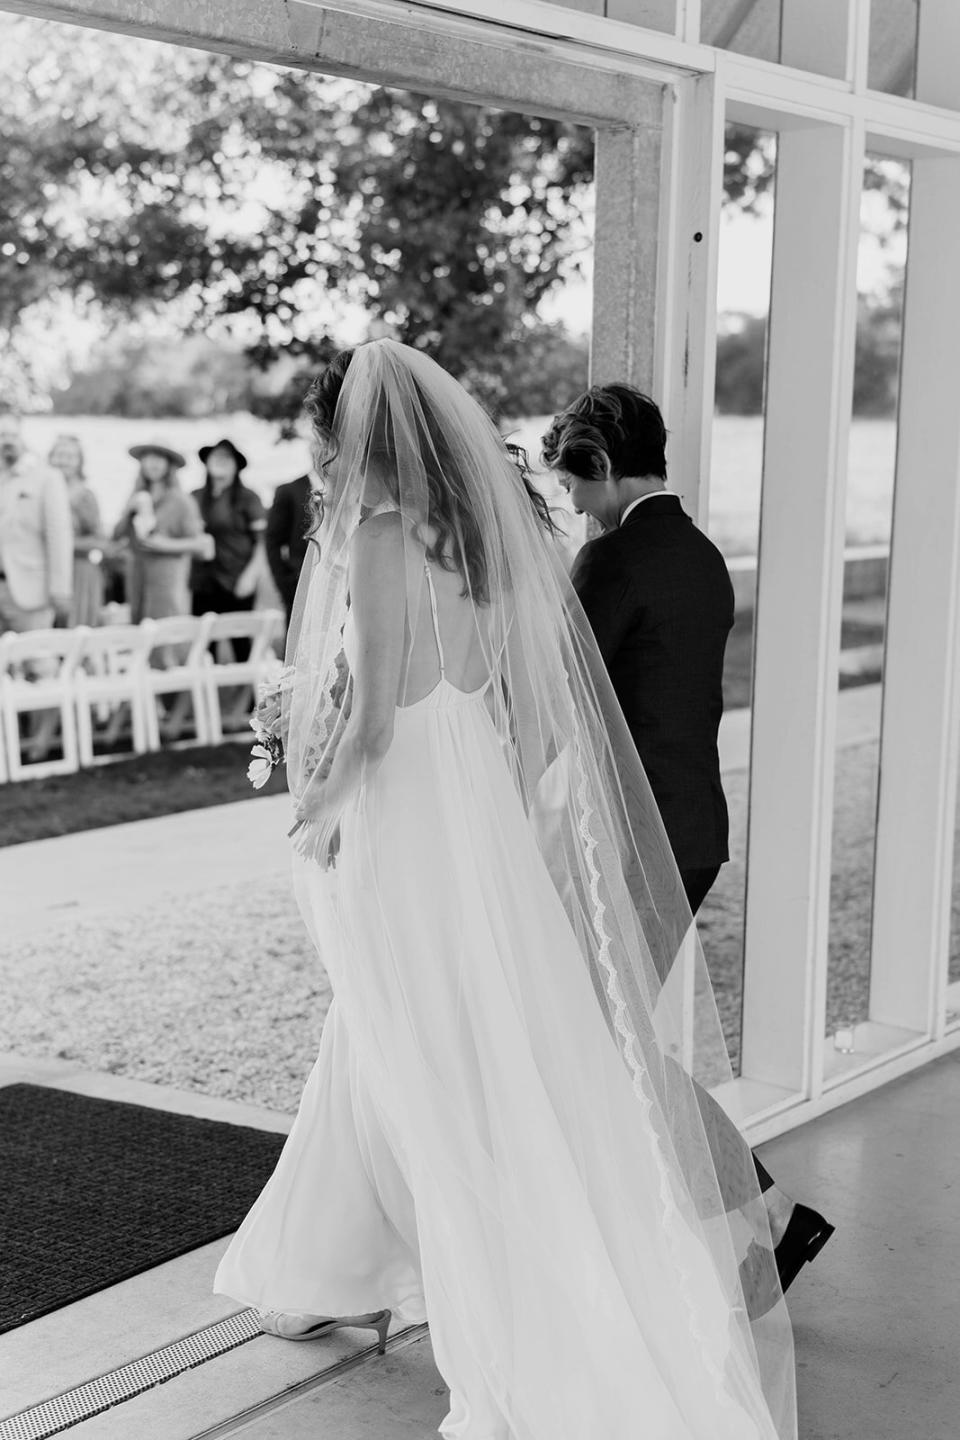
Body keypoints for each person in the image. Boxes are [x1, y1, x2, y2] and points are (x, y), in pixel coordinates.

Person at [215, 340, 797, 1440]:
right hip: (469, 801)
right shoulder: (491, 534)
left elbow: (380, 716)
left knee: (432, 1053)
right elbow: (517, 705)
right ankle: (323, 1258)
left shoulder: (385, 536)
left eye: (328, 440)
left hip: (408, 810)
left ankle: (515, 1320)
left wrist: (317, 804)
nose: (325, 460)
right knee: (413, 1033)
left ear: (361, 438)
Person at [542, 383, 834, 1300]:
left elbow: (558, 696)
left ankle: (774, 1214)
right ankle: (695, 1223)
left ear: (597, 460)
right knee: (609, 1036)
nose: (574, 508)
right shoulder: (703, 555)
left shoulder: (613, 560)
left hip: (632, 837)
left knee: (610, 1041)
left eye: (574, 486)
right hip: (694, 827)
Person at [114, 441, 206, 622]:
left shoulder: (181, 501)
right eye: (148, 458)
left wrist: (165, 544)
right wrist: (129, 511)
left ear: (168, 464)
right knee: (138, 625)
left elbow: (200, 544)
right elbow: (117, 536)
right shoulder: (136, 496)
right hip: (138, 573)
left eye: (158, 458)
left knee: (164, 627)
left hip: (167, 576)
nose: (153, 464)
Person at [191, 439, 267, 657]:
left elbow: (262, 542)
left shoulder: (248, 498)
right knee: (204, 646)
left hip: (237, 578)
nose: (220, 461)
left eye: (226, 458)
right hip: (203, 581)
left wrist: (251, 576)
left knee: (241, 646)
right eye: (215, 457)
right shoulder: (195, 497)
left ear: (236, 465)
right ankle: (207, 691)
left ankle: (249, 691)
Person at [0, 412, 72, 633]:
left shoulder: (46, 478)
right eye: (2, 435)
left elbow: (58, 536)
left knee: (39, 662)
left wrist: (60, 589)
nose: (8, 441)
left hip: (30, 592)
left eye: (13, 435)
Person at [48, 433, 105, 628]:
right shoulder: (42, 491)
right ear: (50, 457)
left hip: (79, 572)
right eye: (60, 455)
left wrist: (63, 544)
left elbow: (100, 540)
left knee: (74, 630)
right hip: (47, 570)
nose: (64, 461)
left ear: (79, 462)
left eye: (70, 457)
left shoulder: (85, 496)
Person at [264, 470, 312, 629]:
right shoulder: (289, 491)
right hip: (298, 584)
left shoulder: (351, 487)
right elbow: (273, 542)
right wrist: (285, 586)